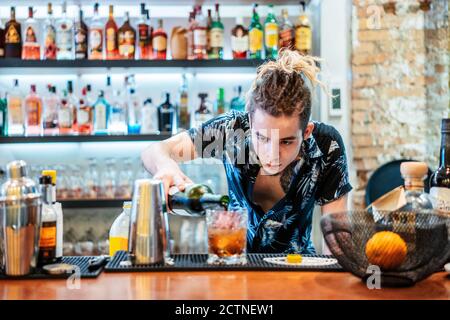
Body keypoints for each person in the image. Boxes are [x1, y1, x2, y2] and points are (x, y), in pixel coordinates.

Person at [141, 49, 352, 254]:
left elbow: (337, 247)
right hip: (235, 264)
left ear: (306, 132)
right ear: (250, 123)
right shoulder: (233, 131)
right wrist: (166, 165)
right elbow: (154, 151)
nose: (272, 154)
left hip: (298, 270)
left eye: (286, 142)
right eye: (262, 138)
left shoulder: (326, 146)